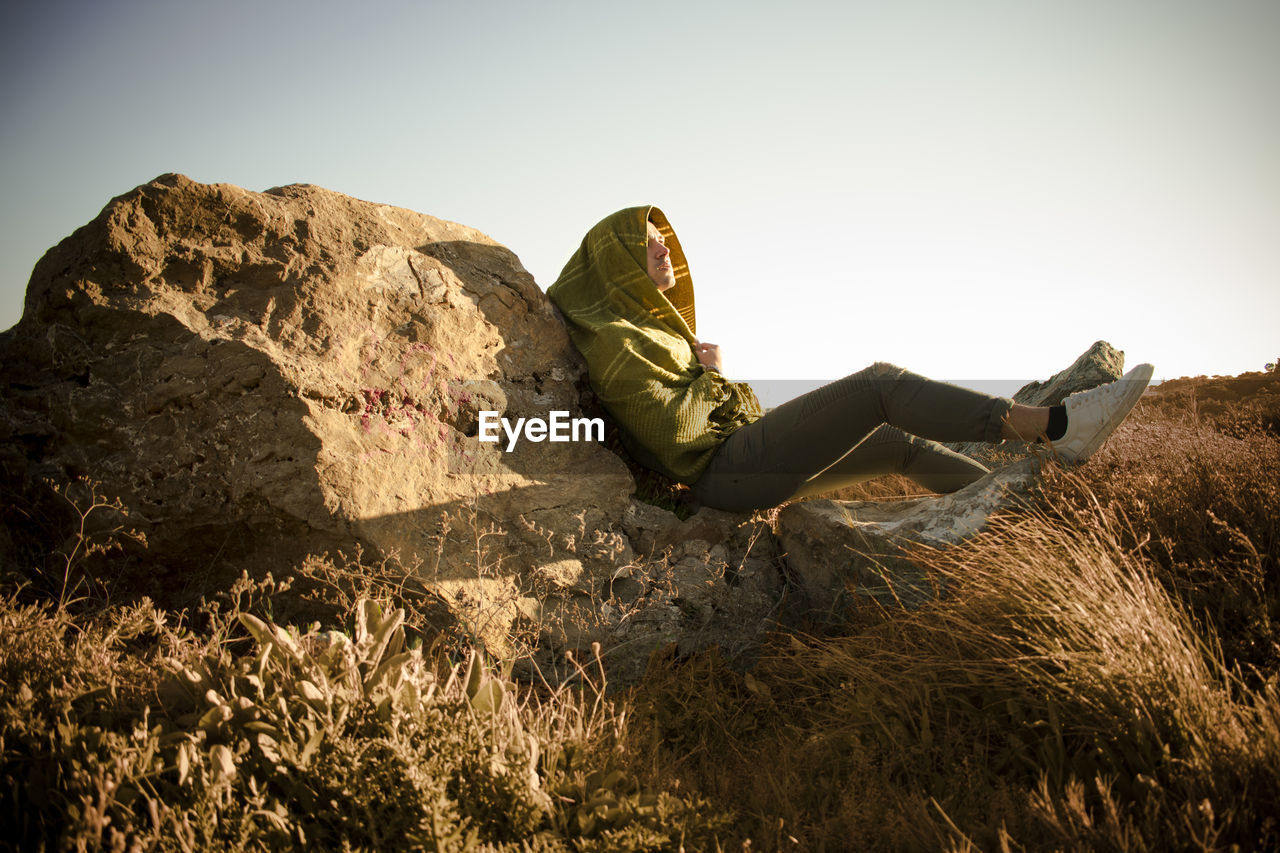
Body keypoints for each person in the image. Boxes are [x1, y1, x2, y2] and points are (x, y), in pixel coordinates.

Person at [546, 206, 1153, 513]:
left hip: (744, 458)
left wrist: (716, 378)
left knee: (895, 442)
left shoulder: (663, 335)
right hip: (722, 475)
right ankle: (1056, 427)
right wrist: (710, 380)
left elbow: (725, 409)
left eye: (663, 240)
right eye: (647, 245)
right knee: (879, 385)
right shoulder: (620, 345)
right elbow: (673, 435)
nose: (664, 250)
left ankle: (1015, 514)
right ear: (618, 263)